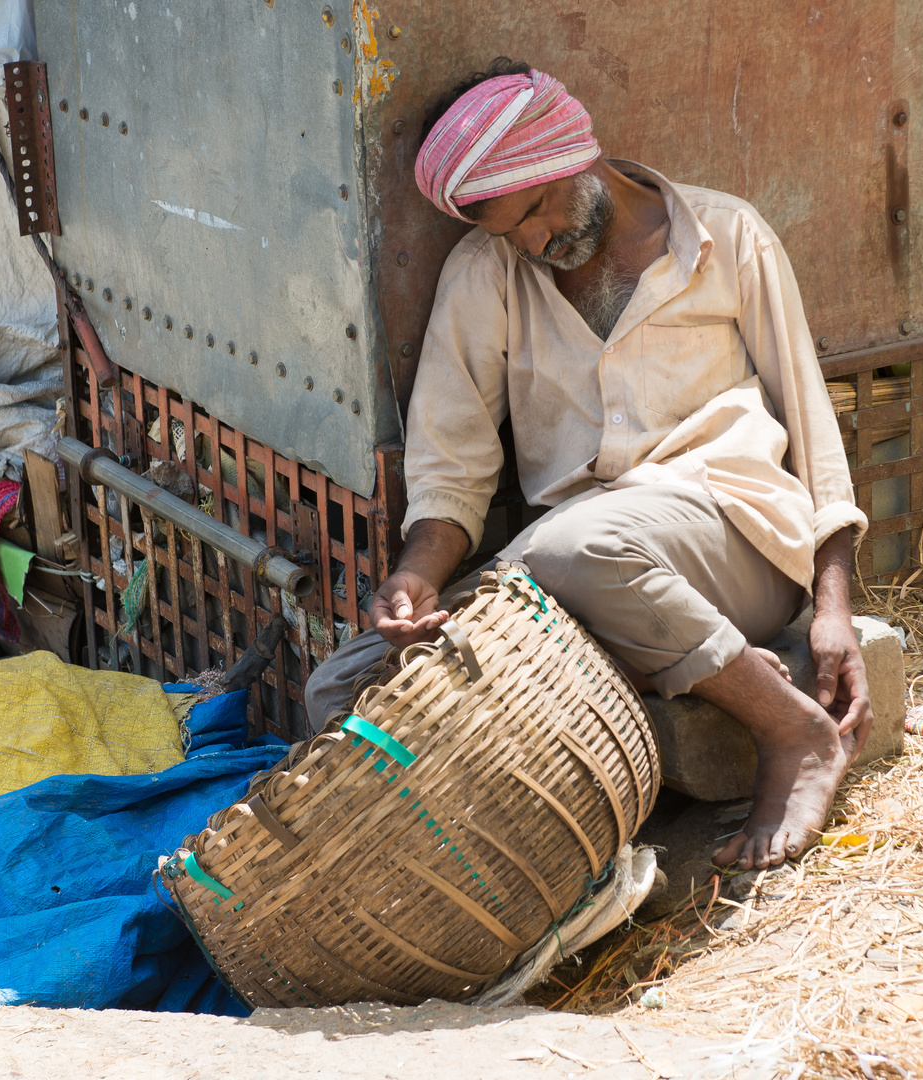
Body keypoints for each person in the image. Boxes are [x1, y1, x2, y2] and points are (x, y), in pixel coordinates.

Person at [303, 60, 871, 871]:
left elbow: (813, 429)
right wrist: (417, 575)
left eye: (538, 206)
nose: (535, 239)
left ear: (576, 154)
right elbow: (451, 461)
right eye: (513, 230)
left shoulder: (727, 234)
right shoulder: (486, 272)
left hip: (730, 533)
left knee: (574, 549)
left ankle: (793, 730)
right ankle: (513, 873)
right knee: (347, 686)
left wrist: (832, 609)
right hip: (571, 568)